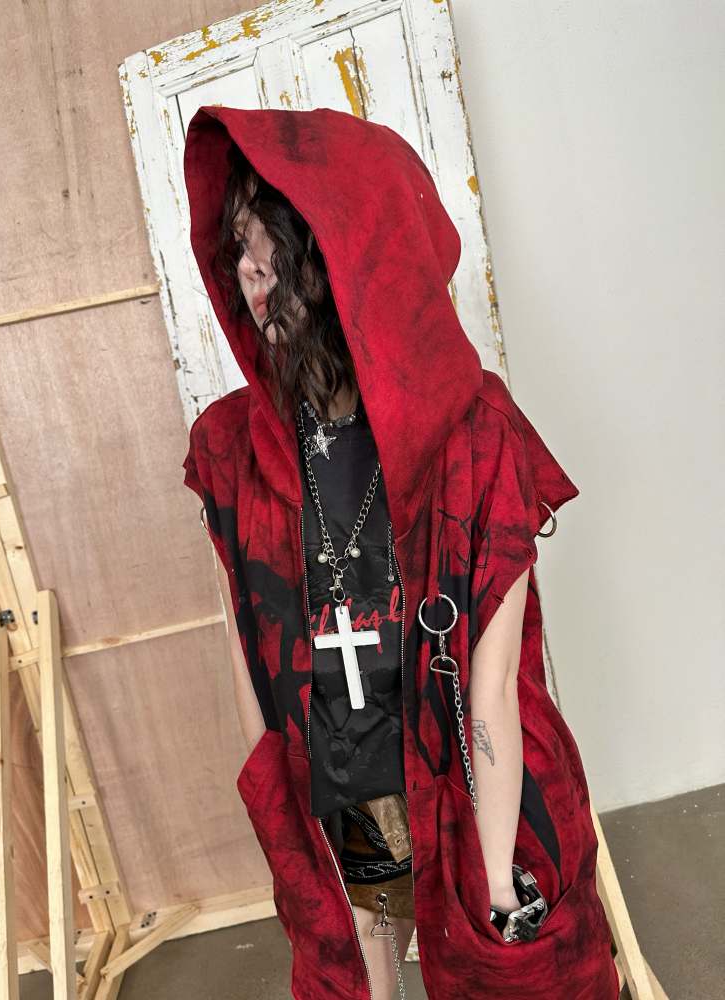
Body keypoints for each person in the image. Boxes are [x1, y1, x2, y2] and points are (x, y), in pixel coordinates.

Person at [182, 106, 620, 1000]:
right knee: (361, 971)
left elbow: (493, 683)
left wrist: (495, 883)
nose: (250, 271)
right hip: (347, 800)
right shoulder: (232, 449)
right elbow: (246, 650)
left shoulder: (475, 432)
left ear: (346, 251)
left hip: (466, 789)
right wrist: (289, 832)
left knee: (517, 980)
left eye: (272, 244)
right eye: (239, 247)